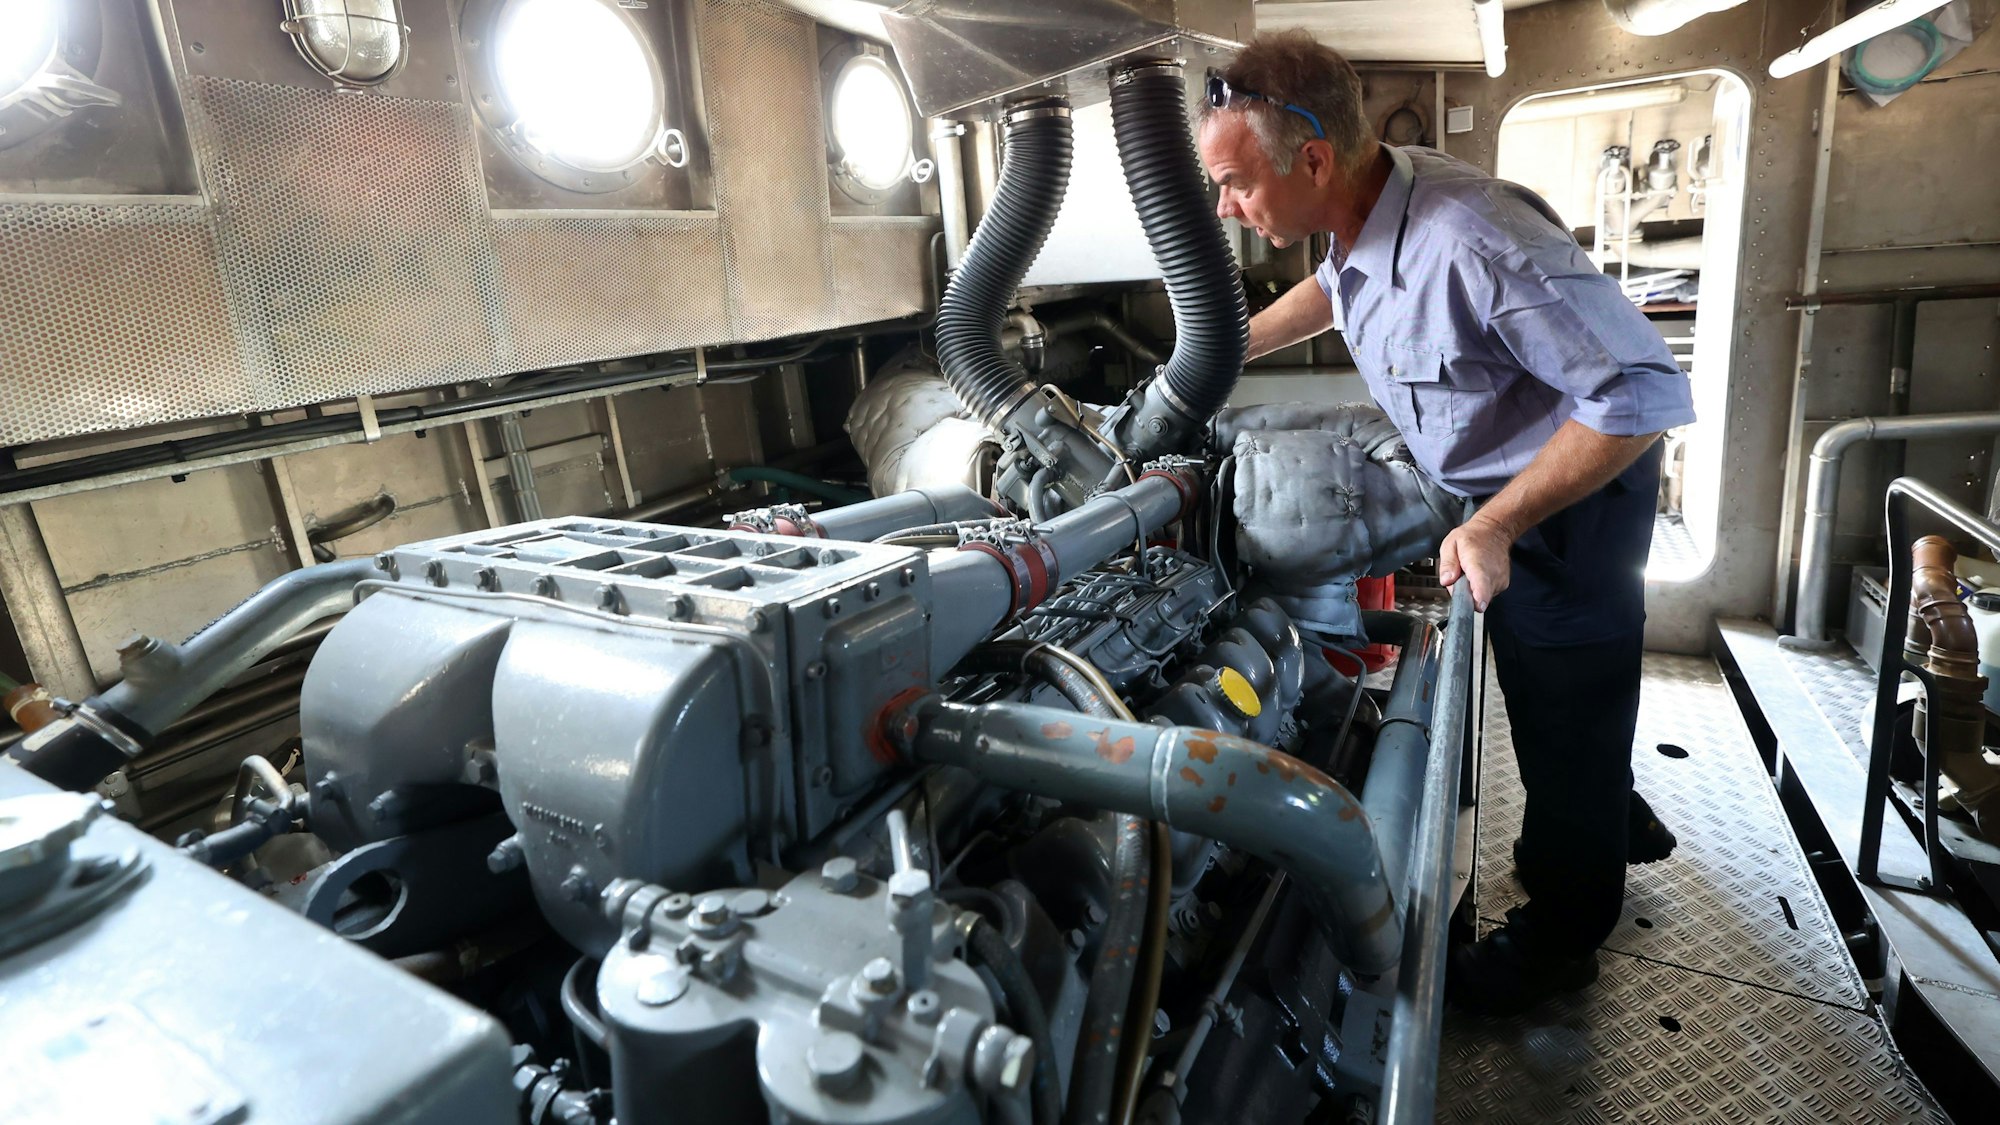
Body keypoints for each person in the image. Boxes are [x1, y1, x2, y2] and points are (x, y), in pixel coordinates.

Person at [1195, 30, 1694, 1015]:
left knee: (1560, 713)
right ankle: (1600, 807)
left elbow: (1639, 392)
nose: (1223, 207)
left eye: (1233, 182)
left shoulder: (1471, 238)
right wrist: (1219, 348)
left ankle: (1559, 940)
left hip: (1570, 501)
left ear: (1309, 160)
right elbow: (1333, 291)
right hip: (1512, 495)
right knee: (1563, 710)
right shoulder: (1363, 202)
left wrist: (1499, 523)